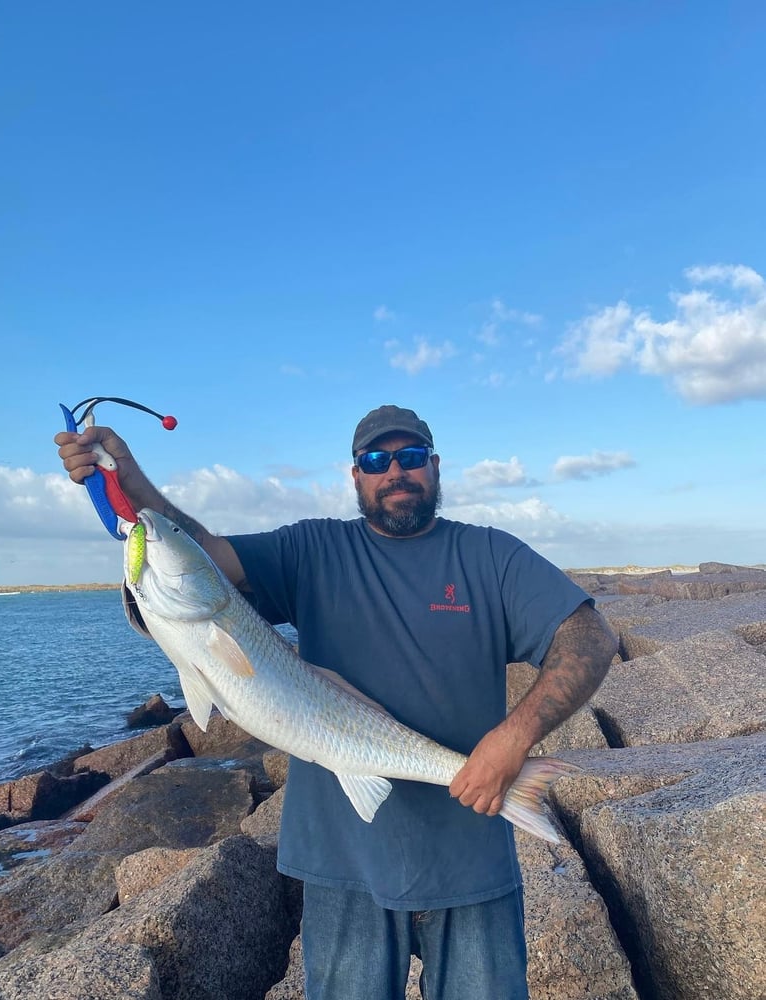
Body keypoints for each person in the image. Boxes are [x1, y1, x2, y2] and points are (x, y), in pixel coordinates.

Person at [55, 404, 617, 1000]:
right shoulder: (311, 549)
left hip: (470, 861)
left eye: (411, 457)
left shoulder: (491, 557)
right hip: (341, 861)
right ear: (356, 475)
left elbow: (590, 636)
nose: (395, 470)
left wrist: (513, 740)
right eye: (376, 459)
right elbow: (201, 555)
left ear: (435, 467)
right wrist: (126, 476)